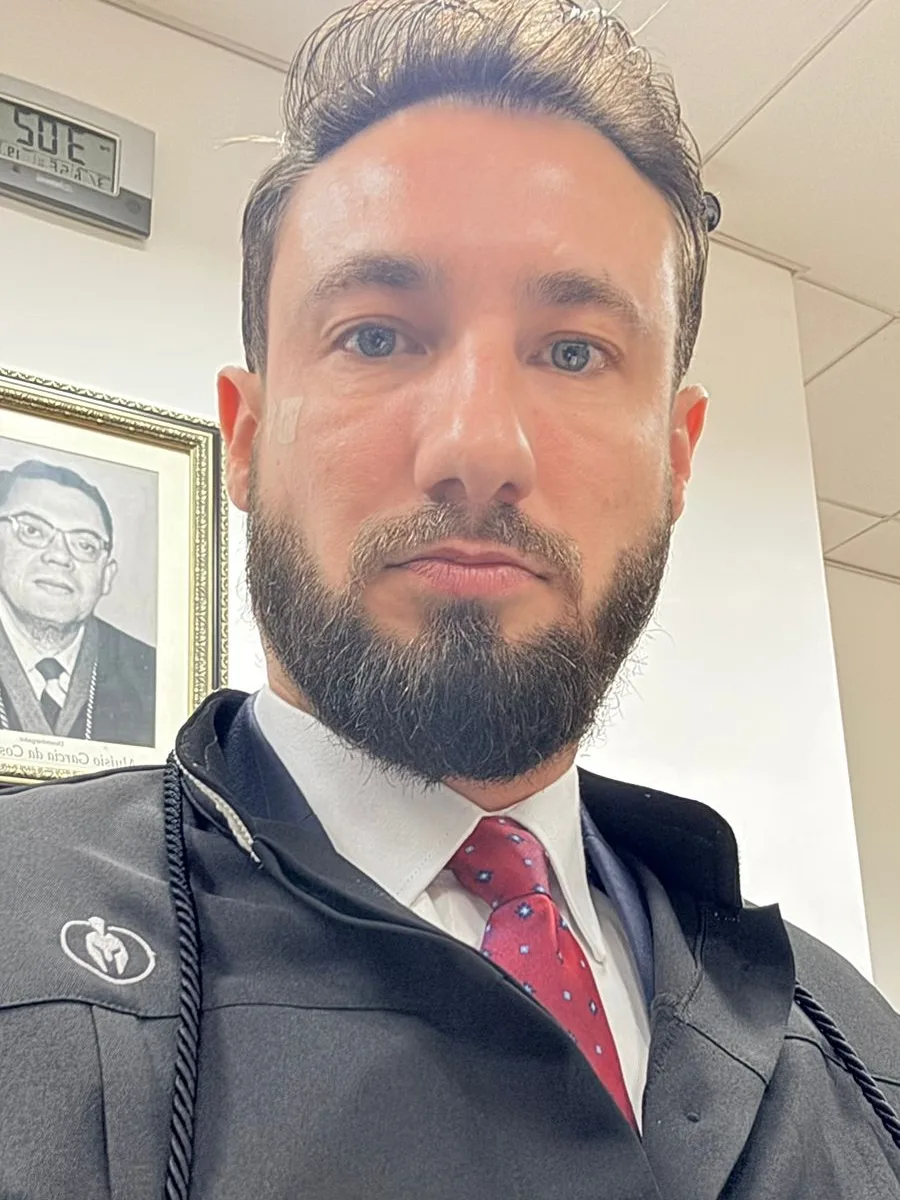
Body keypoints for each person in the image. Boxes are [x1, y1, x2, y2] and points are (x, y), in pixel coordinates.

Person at [1, 2, 899, 1197]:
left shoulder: (855, 1042)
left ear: (677, 460)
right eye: (376, 337)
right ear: (248, 439)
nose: (478, 446)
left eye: (574, 351)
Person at [0, 458, 156, 746]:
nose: (60, 556)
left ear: (106, 575)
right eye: (33, 530)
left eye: (85, 545)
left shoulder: (152, 676)